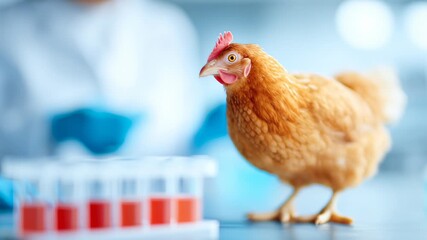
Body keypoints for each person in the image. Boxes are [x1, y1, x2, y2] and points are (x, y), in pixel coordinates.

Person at [0, 0, 204, 209]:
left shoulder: (168, 26)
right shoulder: (8, 27)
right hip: (40, 209)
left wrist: (202, 136)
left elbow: (175, 134)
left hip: (146, 212)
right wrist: (52, 129)